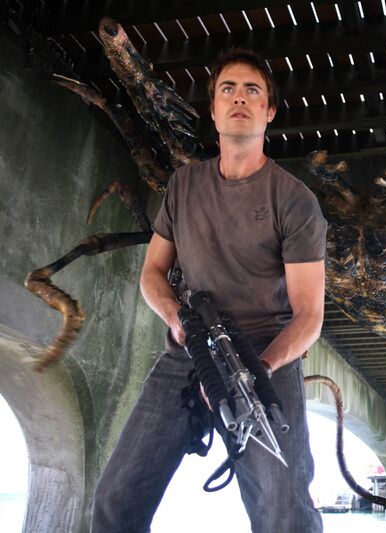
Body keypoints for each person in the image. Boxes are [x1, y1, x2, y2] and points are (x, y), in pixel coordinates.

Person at [90, 48, 326, 532]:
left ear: (269, 111)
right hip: (190, 350)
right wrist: (178, 320)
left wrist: (258, 370)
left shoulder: (295, 201)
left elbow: (308, 317)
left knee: (286, 515)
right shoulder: (183, 186)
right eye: (227, 90)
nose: (239, 98)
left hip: (263, 358)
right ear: (214, 111)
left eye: (252, 91)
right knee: (115, 499)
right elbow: (153, 273)